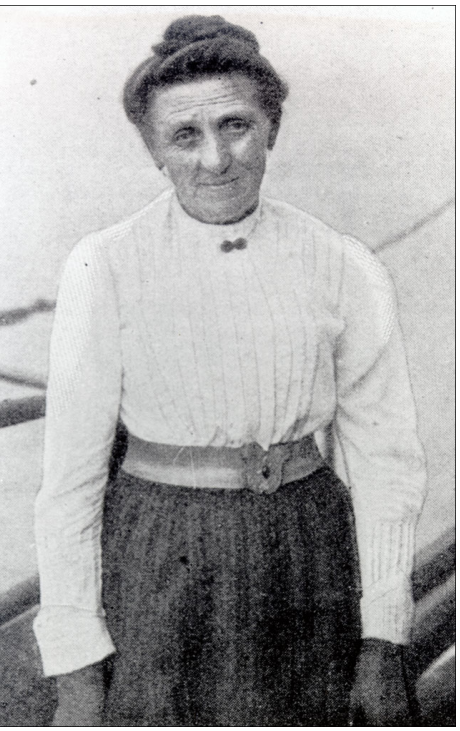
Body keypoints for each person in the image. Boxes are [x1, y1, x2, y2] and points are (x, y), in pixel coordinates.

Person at [34, 15, 426, 727]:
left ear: (272, 126)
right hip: (158, 555)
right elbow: (69, 481)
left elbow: (385, 460)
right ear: (154, 148)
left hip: (307, 550)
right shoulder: (106, 265)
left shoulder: (345, 266)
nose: (216, 158)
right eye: (186, 135)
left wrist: (384, 638)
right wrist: (76, 671)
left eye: (236, 124)